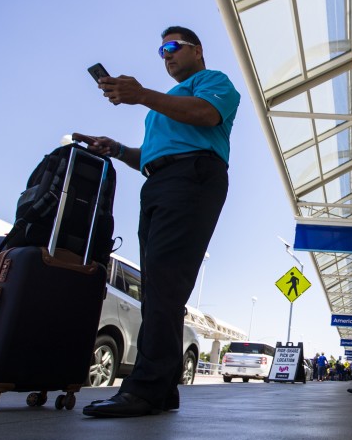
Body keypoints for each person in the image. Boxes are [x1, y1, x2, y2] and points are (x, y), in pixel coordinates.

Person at [78, 26, 240, 418]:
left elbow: (206, 115)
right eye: (160, 51)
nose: (165, 55)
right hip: (160, 181)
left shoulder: (212, 82)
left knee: (166, 282)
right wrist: (116, 149)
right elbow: (152, 154)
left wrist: (141, 95)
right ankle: (163, 389)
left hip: (194, 177)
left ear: (197, 50)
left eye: (172, 47)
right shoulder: (164, 105)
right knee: (156, 289)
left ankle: (146, 389)